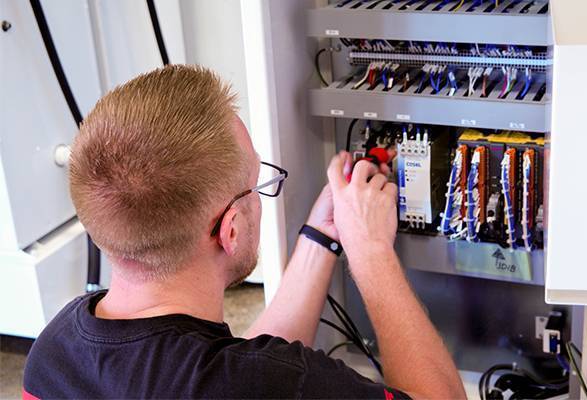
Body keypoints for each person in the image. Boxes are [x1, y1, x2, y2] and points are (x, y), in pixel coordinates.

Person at [24, 65, 465, 399]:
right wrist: (370, 250)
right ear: (230, 229)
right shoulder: (272, 383)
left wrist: (322, 236)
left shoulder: (51, 355)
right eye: (258, 182)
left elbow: (231, 368)